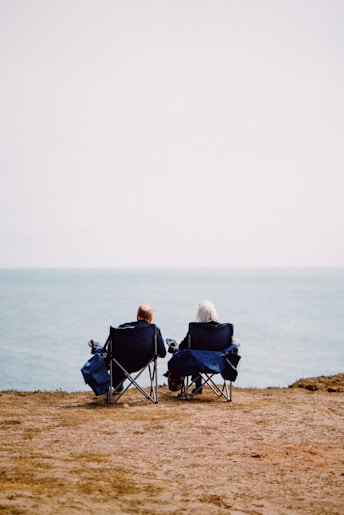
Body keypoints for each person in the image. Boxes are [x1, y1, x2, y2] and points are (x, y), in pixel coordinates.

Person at [89, 304, 166, 391]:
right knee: (119, 361)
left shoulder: (121, 329)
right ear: (151, 320)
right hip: (141, 362)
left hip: (120, 363)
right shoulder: (154, 330)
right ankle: (97, 347)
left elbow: (111, 351)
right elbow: (162, 353)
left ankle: (96, 347)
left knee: (109, 357)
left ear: (137, 317)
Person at [179, 300, 220, 394]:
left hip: (198, 363)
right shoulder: (223, 329)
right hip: (217, 363)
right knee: (197, 354)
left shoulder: (195, 329)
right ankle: (198, 388)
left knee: (194, 354)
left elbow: (183, 346)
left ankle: (198, 387)